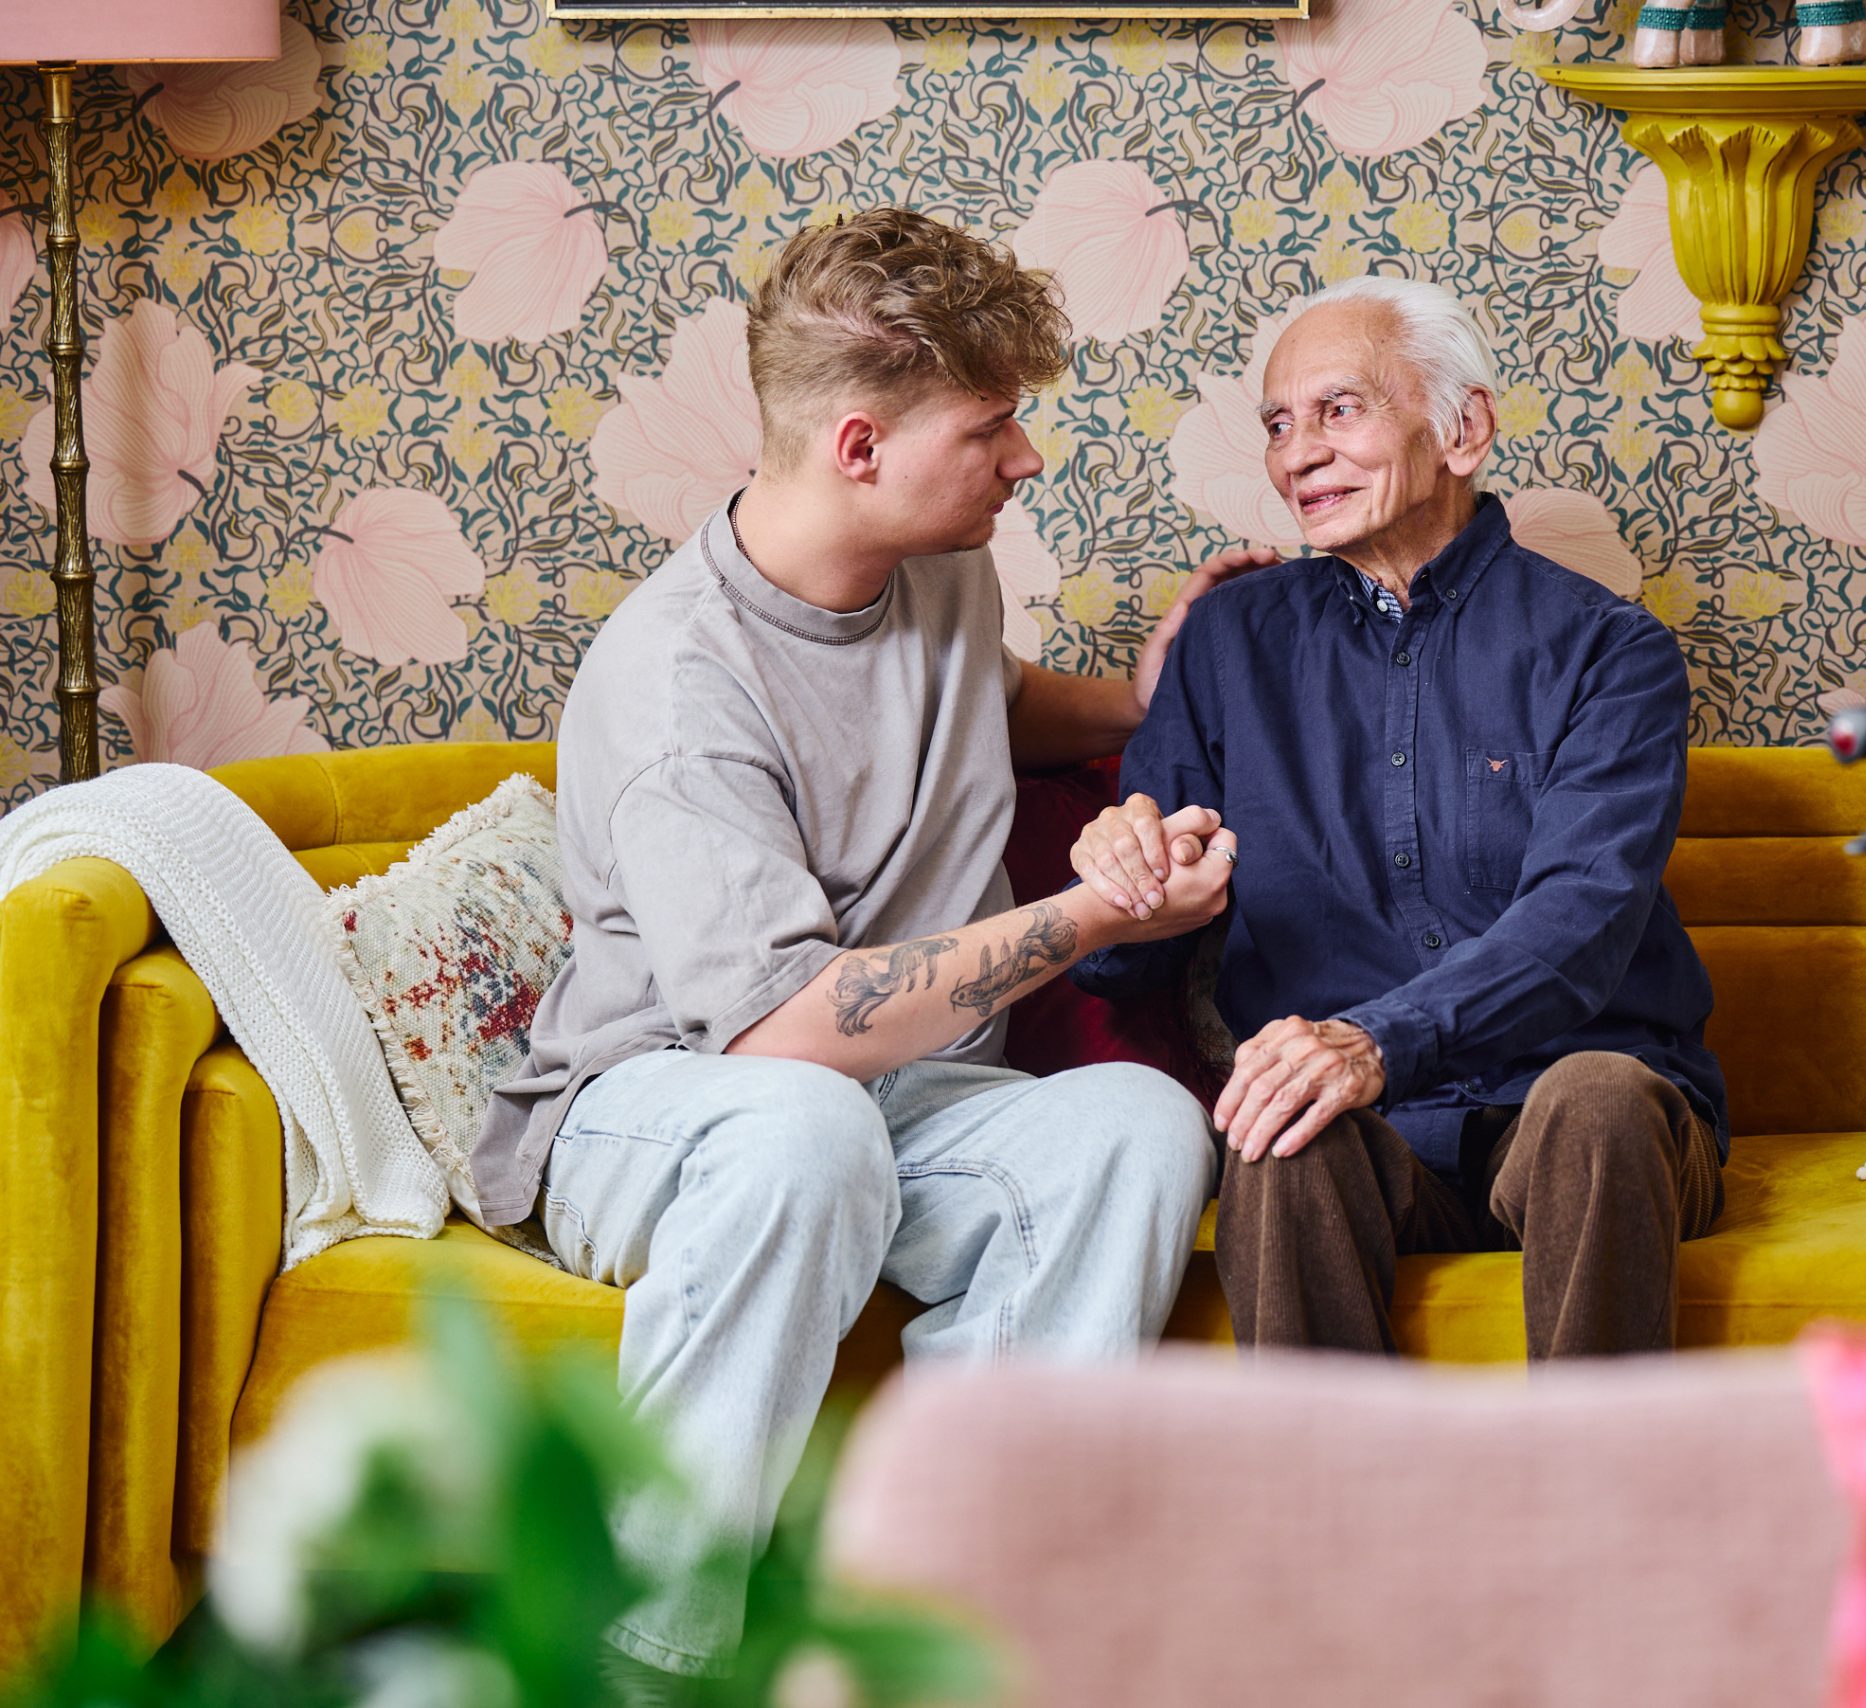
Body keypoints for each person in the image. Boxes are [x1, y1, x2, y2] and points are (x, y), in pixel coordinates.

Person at [467, 208, 1262, 1684]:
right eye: (993, 425)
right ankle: (649, 1654)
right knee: (800, 1133)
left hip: (902, 1093)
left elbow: (987, 696)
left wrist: (1147, 696)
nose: (1026, 458)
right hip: (671, 1097)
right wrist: (1093, 916)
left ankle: (935, 1628)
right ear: (855, 445)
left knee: (1140, 1129)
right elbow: (782, 1035)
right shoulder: (675, 685)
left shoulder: (942, 566)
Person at [1072, 275, 1727, 1361]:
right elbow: (1132, 954)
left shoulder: (1609, 651)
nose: (1296, 454)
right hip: (1358, 1132)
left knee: (1598, 1099)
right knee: (1279, 1127)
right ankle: (1331, 1525)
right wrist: (1119, 881)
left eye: (1338, 410)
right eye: (1279, 425)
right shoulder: (1226, 643)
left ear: (1460, 429)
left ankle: (1598, 1519)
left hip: (1579, 1109)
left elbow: (1582, 920)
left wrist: (1379, 1039)